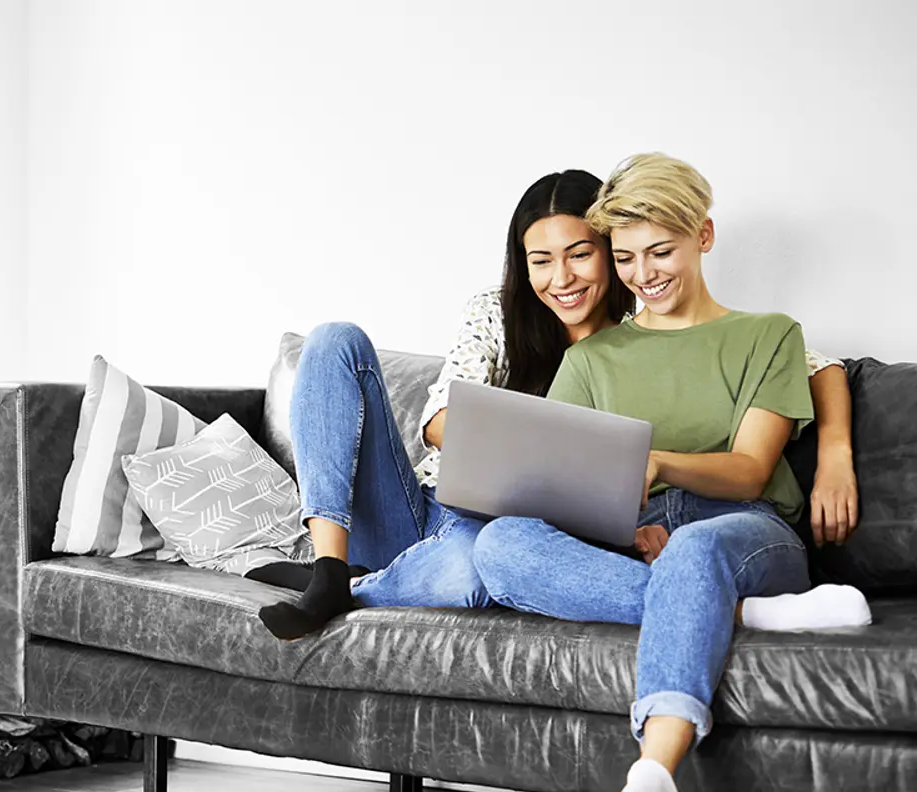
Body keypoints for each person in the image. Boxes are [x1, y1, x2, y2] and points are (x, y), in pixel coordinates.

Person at [256, 166, 864, 642]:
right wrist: (536, 448)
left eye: (581, 254)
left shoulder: (649, 318)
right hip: (427, 510)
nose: (562, 278)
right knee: (334, 340)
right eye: (540, 260)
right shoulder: (498, 311)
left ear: (612, 249)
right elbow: (438, 421)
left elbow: (817, 361)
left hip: (495, 537)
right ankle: (332, 566)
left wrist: (834, 451)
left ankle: (355, 590)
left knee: (482, 562)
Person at [467, 153, 871, 792]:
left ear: (703, 236)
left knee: (695, 549)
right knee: (500, 544)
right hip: (642, 541)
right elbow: (559, 489)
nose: (642, 274)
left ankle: (653, 767)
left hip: (743, 530)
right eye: (625, 258)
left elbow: (748, 470)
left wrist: (653, 462)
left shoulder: (768, 336)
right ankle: (745, 616)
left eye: (660, 252)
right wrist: (626, 530)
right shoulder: (592, 358)